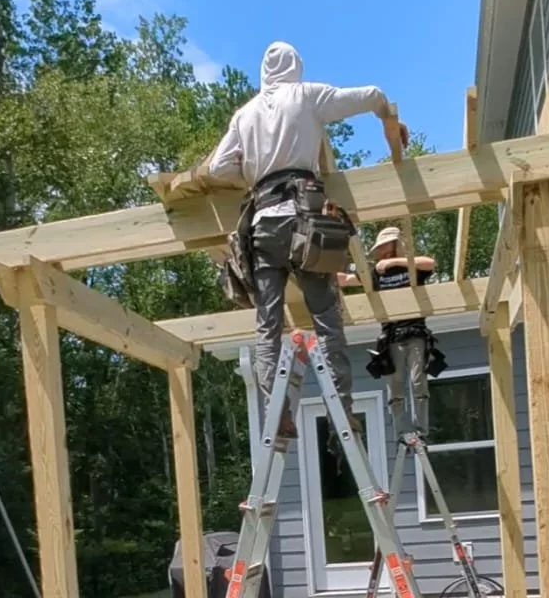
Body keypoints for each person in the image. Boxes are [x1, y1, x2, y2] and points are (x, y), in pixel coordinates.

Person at [154, 42, 407, 442]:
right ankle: (341, 409)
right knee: (326, 318)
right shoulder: (306, 95)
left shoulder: (245, 114)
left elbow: (219, 166)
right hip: (304, 219)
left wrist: (254, 168)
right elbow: (369, 95)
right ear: (296, 66)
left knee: (267, 325)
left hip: (262, 226)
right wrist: (387, 116)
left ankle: (279, 417)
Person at [340, 227, 437, 439]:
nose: (383, 250)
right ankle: (402, 432)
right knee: (395, 387)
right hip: (392, 337)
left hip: (415, 333)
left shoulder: (411, 269)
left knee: (418, 382)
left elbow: (430, 263)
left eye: (386, 244)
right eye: (380, 247)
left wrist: (395, 262)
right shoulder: (376, 274)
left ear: (396, 244)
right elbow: (347, 280)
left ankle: (420, 431)